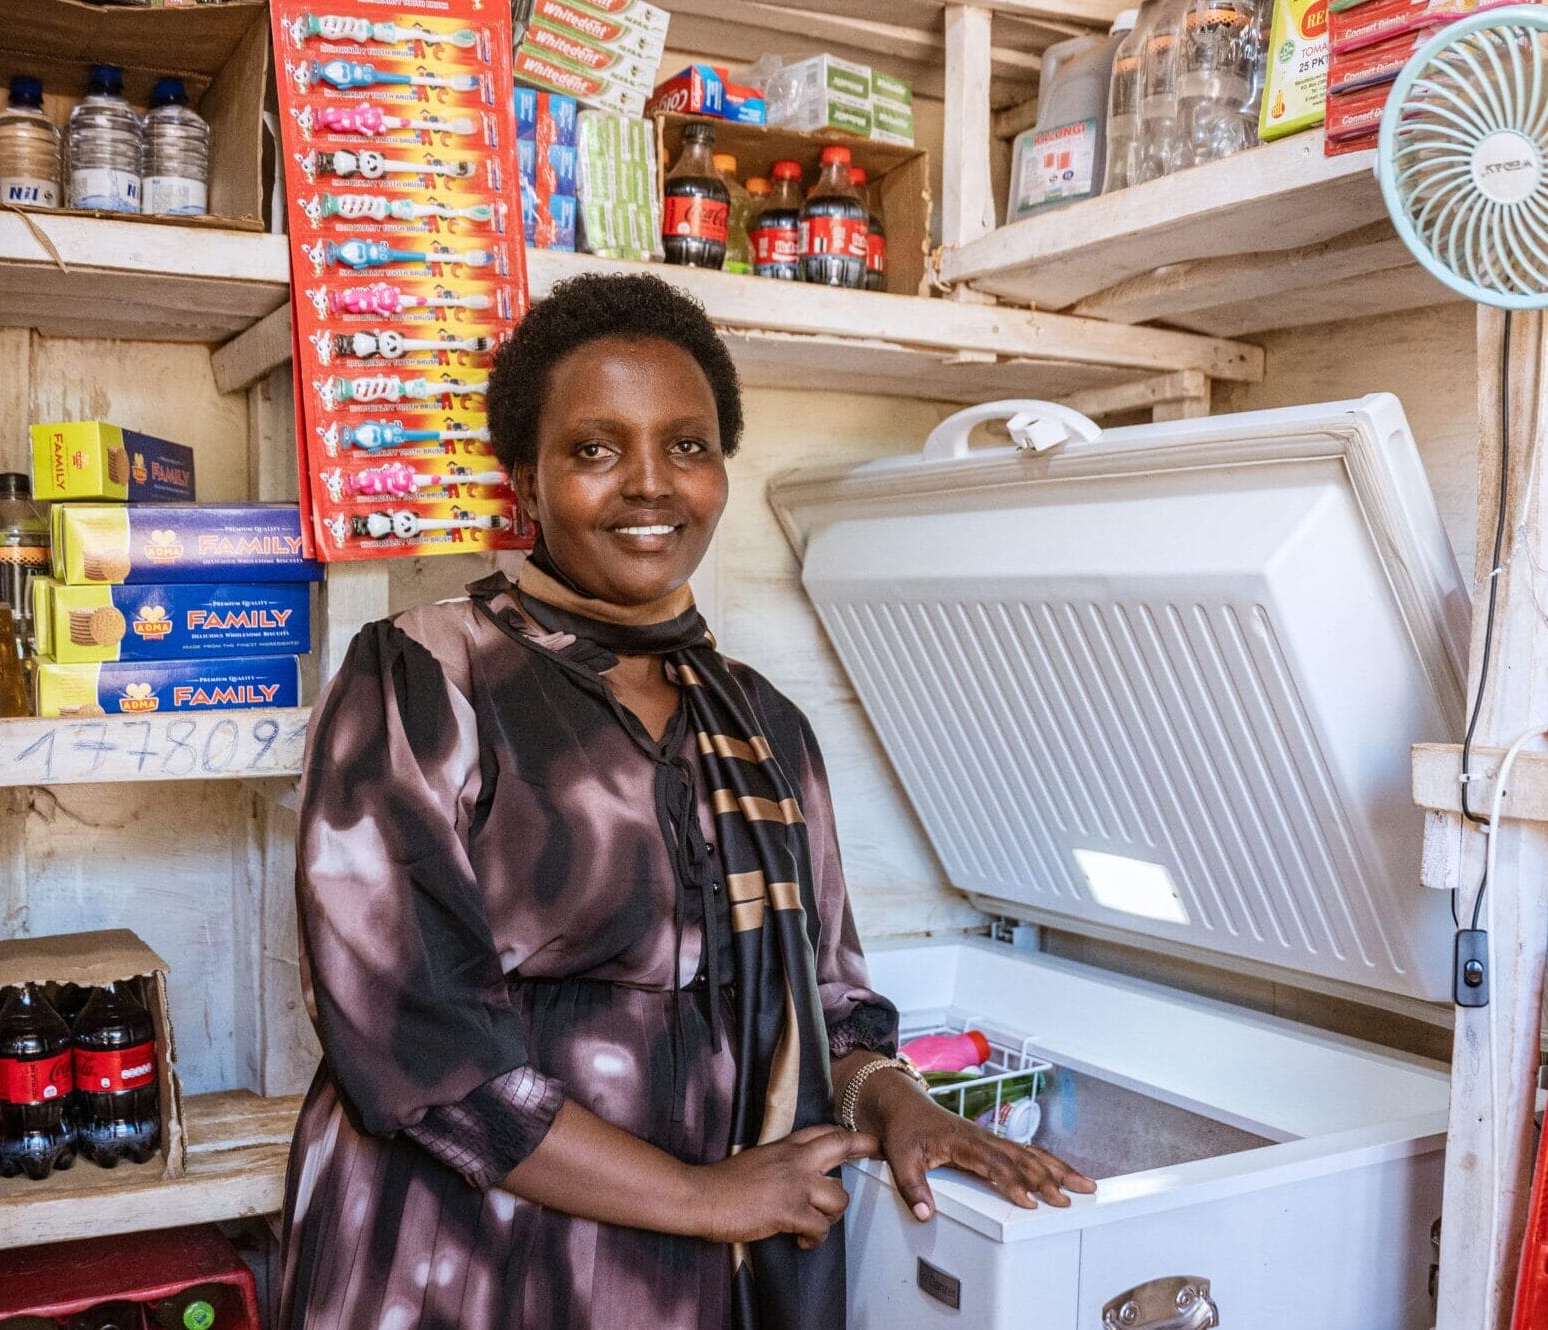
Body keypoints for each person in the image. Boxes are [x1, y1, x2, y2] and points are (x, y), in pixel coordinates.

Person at [279, 272, 1093, 1329]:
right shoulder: (425, 675)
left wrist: (901, 1104)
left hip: (687, 1280)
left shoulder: (763, 726)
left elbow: (832, 1000)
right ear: (523, 473)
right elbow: (411, 1040)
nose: (650, 485)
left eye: (688, 445)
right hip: (457, 1256)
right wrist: (704, 1196)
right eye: (595, 448)